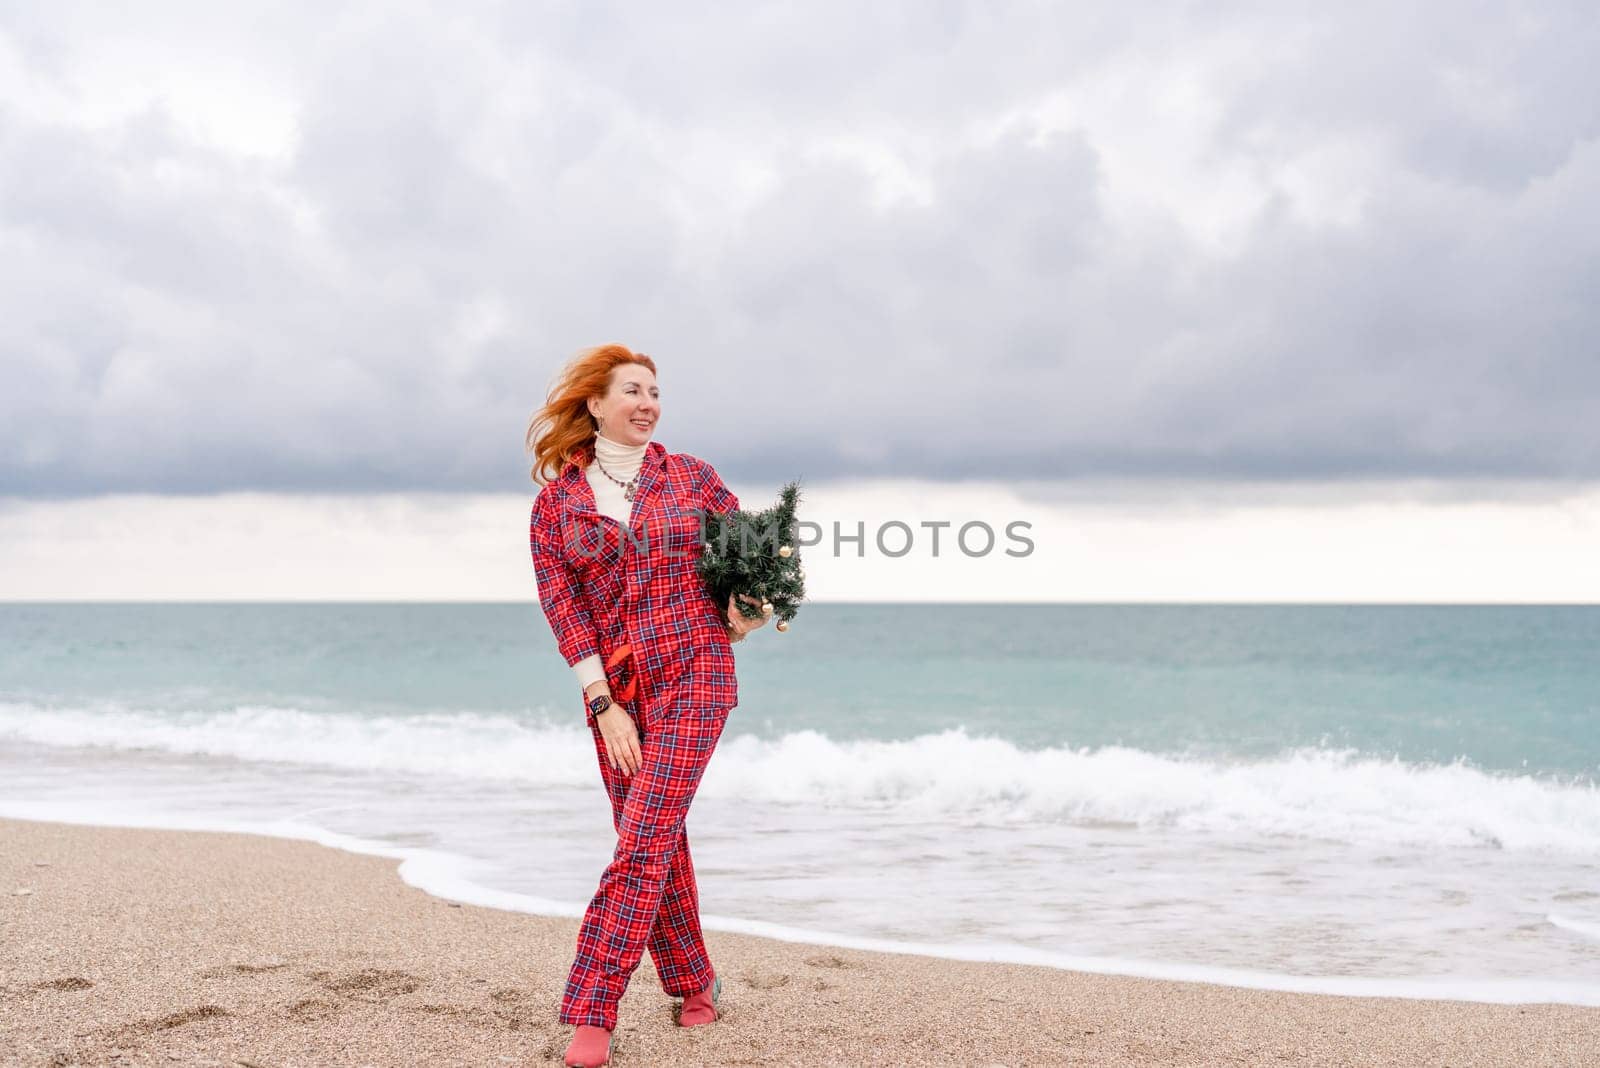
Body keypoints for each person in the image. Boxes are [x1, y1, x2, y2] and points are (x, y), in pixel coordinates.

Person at [525, 343, 769, 1067]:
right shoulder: (555, 506)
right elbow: (564, 612)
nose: (648, 403)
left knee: (641, 841)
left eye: (655, 392)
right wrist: (605, 705)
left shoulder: (692, 479)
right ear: (595, 403)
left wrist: (747, 611)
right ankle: (695, 981)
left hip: (697, 673)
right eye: (632, 390)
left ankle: (591, 1012)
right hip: (619, 696)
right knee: (656, 838)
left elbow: (756, 557)